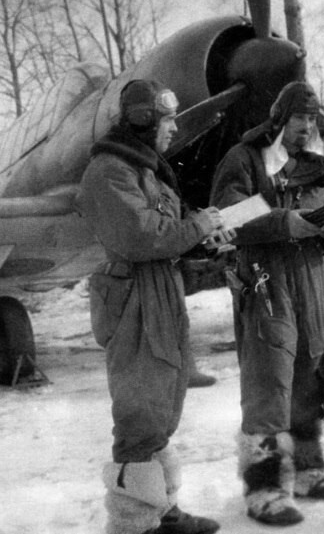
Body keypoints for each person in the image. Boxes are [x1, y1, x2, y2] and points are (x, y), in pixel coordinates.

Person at [77, 79, 229, 534]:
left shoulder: (146, 170)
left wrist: (204, 238)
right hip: (133, 298)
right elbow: (139, 237)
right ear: (143, 121)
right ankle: (132, 524)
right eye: (166, 120)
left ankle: (159, 511)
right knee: (140, 407)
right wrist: (196, 226)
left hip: (159, 289)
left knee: (164, 399)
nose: (173, 128)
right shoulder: (110, 172)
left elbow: (168, 232)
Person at [209, 81, 324, 526]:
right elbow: (227, 219)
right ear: (278, 118)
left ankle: (309, 468)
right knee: (269, 380)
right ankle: (264, 486)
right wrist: (290, 222)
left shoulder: (314, 166)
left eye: (312, 119)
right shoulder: (243, 159)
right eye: (298, 118)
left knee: (309, 372)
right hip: (265, 280)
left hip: (308, 279)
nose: (306, 128)